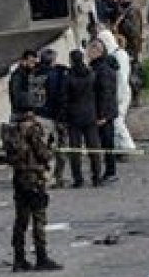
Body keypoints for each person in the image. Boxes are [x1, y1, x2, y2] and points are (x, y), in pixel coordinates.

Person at [1, 111, 63, 271]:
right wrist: (51, 148)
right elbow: (43, 154)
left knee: (20, 221)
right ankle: (41, 258)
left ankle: (19, 259)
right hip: (34, 177)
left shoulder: (10, 130)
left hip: (19, 177)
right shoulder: (32, 130)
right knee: (39, 219)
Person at [61, 49, 102, 187]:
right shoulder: (91, 74)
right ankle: (96, 176)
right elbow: (97, 94)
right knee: (94, 148)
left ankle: (78, 179)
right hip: (90, 114)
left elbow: (64, 98)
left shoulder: (68, 77)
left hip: (74, 117)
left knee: (75, 150)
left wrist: (64, 116)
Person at [34, 48, 68, 188]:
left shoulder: (34, 74)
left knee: (42, 149)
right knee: (59, 148)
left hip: (39, 115)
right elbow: (58, 96)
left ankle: (44, 176)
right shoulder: (56, 75)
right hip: (53, 116)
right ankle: (57, 177)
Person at [98, 29, 136, 153]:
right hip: (115, 92)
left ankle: (128, 146)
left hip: (121, 92)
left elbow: (122, 78)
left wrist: (118, 95)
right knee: (114, 121)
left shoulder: (120, 55)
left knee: (117, 120)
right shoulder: (112, 55)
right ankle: (119, 147)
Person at [88, 39, 119, 183]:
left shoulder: (103, 69)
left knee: (107, 142)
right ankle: (107, 170)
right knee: (105, 142)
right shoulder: (98, 67)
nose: (88, 53)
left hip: (105, 113)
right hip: (103, 111)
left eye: (90, 50)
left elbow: (105, 93)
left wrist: (103, 115)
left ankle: (110, 171)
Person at [8, 50, 40, 116]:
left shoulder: (28, 73)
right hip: (22, 113)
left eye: (34, 62)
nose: (33, 65)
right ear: (24, 61)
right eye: (31, 62)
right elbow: (17, 97)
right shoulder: (17, 76)